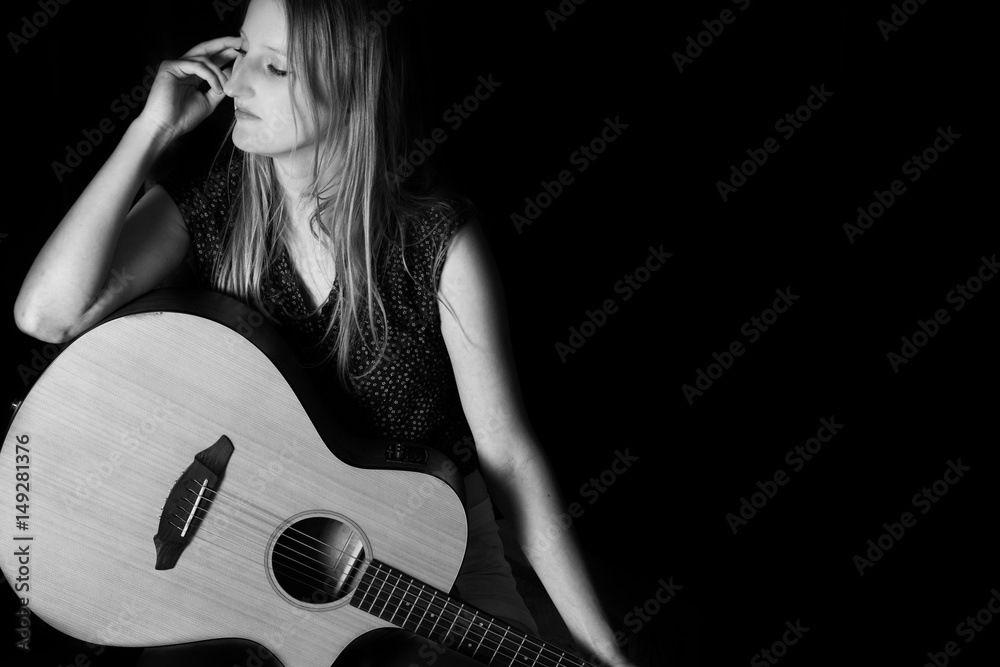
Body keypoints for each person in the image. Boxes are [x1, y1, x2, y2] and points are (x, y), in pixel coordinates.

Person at [14, 1, 640, 665]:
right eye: (241, 52)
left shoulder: (437, 241)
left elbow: (508, 455)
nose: (236, 83)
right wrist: (151, 128)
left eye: (275, 67)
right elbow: (45, 314)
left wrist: (600, 646)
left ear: (351, 84)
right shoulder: (216, 202)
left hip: (433, 543)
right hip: (238, 555)